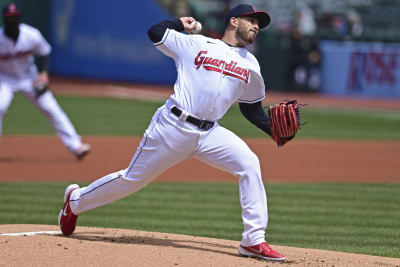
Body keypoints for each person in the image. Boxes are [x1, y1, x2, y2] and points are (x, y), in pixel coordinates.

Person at [59, 4, 285, 261]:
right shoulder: (197, 44)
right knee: (132, 179)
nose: (256, 25)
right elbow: (155, 32)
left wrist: (273, 130)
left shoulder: (251, 64)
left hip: (210, 133)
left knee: (249, 163)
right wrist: (179, 23)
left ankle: (253, 240)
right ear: (233, 21)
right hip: (172, 127)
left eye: (259, 23)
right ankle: (75, 201)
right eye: (252, 20)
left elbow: (252, 109)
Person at [0, 3, 90, 160]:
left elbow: (45, 52)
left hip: (30, 78)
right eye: (10, 18)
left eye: (15, 17)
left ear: (19, 17)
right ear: (5, 19)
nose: (13, 20)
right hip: (6, 80)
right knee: (0, 106)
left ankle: (76, 146)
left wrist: (44, 73)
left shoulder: (30, 34)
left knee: (51, 108)